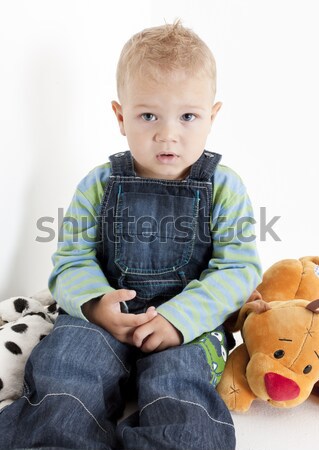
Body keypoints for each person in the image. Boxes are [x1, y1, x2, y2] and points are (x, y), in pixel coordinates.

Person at [0, 21, 262, 450]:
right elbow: (72, 260)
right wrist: (94, 305)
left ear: (212, 117)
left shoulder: (223, 187)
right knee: (67, 363)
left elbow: (238, 269)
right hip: (106, 323)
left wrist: (179, 320)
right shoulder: (99, 184)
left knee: (179, 382)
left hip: (189, 327)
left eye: (188, 116)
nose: (167, 133)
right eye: (148, 115)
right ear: (121, 117)